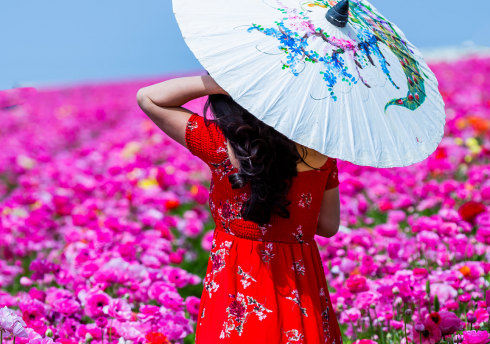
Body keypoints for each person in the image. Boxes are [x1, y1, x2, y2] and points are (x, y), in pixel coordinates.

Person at [136, 74, 343, 343]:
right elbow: (328, 226)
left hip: (236, 281)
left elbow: (148, 97)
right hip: (299, 285)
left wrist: (226, 82)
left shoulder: (221, 145)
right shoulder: (322, 151)